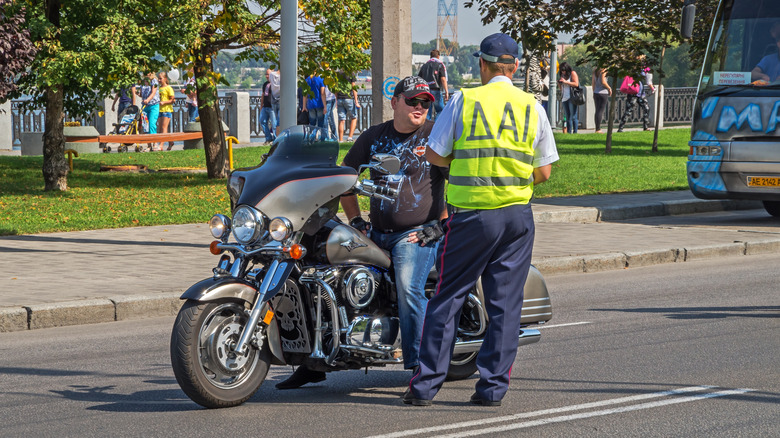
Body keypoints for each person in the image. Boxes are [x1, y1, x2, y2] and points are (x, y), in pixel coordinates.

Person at [406, 32, 559, 407]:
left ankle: (424, 387)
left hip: (473, 217)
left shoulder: (464, 100)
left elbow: (436, 156)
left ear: (482, 65)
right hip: (517, 218)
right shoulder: (532, 107)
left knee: (448, 297)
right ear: (516, 67)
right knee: (505, 305)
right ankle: (491, 390)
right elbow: (545, 172)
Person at [276, 76, 448, 390]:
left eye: (426, 102)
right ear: (395, 102)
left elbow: (459, 181)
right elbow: (345, 178)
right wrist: (355, 221)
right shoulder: (374, 136)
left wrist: (439, 226)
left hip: (417, 234)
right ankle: (313, 361)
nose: (420, 107)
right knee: (317, 277)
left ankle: (423, 368)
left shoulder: (435, 134)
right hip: (377, 232)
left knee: (409, 288)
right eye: (413, 101)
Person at [618, 57, 654, 132]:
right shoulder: (632, 69)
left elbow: (648, 78)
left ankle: (645, 127)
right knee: (629, 110)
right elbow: (648, 80)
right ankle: (620, 128)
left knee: (646, 108)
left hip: (641, 93)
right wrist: (652, 88)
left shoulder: (644, 68)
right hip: (633, 92)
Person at [418, 49, 449, 121]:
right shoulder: (440, 65)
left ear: (430, 56)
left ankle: (426, 128)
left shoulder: (424, 66)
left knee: (427, 111)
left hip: (426, 92)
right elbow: (443, 79)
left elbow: (419, 79)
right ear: (438, 56)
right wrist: (446, 92)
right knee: (440, 110)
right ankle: (436, 126)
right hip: (436, 90)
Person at [138, 71, 160, 151]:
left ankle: (155, 143)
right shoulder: (143, 82)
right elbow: (141, 93)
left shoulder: (154, 81)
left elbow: (153, 92)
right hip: (145, 106)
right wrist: (138, 94)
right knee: (145, 125)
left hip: (153, 105)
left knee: (152, 124)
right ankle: (149, 145)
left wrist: (148, 99)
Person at [336, 72, 360, 141]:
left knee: (341, 120)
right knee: (354, 117)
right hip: (348, 98)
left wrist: (336, 100)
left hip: (340, 99)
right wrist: (356, 101)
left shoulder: (338, 74)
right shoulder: (351, 74)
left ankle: (340, 139)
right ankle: (350, 137)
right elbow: (354, 88)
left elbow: (336, 89)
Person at [558, 61, 579, 134]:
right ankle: (569, 132)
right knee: (567, 116)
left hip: (572, 97)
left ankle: (575, 132)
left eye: (564, 70)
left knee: (573, 116)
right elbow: (561, 88)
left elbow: (576, 84)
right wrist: (560, 83)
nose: (563, 72)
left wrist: (566, 82)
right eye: (561, 71)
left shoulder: (572, 73)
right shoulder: (562, 76)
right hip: (564, 97)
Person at [157, 72, 175, 151]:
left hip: (167, 110)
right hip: (160, 110)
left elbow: (172, 100)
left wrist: (164, 102)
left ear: (165, 79)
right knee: (162, 128)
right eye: (158, 78)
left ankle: (161, 145)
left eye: (161, 78)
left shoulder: (168, 88)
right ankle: (170, 142)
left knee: (164, 127)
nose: (159, 80)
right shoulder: (159, 88)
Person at [592, 67, 612, 133]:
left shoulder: (595, 70)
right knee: (600, 111)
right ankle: (598, 129)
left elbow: (593, 83)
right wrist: (609, 88)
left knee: (597, 111)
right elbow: (603, 82)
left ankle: (597, 128)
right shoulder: (604, 70)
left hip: (596, 92)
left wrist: (594, 91)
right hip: (603, 92)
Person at [260, 69, 276, 145]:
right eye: (266, 74)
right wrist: (261, 105)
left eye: (268, 74)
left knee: (274, 124)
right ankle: (268, 138)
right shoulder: (265, 84)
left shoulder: (275, 84)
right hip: (265, 107)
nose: (266, 76)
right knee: (262, 121)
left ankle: (275, 139)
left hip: (272, 107)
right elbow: (263, 95)